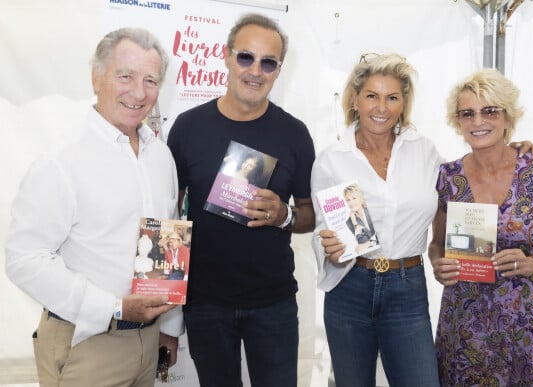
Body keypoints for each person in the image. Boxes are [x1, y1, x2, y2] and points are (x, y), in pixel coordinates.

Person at [311, 53, 533, 387]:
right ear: (355, 100)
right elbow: (322, 229)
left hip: (407, 287)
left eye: (392, 97)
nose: (381, 107)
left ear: (403, 103)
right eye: (372, 96)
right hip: (349, 288)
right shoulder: (331, 160)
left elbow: (466, 179)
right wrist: (328, 245)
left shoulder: (424, 151)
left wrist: (512, 149)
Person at [5, 28, 183, 387]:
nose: (138, 92)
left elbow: (168, 237)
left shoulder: (161, 156)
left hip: (148, 342)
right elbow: (23, 259)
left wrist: (170, 328)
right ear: (96, 77)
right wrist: (113, 307)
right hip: (87, 346)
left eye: (150, 80)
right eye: (125, 76)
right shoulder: (61, 161)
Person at [167, 13, 315, 387]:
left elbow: (310, 216)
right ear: (226, 56)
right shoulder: (187, 127)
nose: (256, 71)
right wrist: (168, 304)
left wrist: (284, 215)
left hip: (274, 302)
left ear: (278, 70)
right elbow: (171, 214)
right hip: (205, 302)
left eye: (269, 62)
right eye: (246, 57)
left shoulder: (295, 134)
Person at [428, 68, 533, 386]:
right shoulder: (448, 179)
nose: (478, 121)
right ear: (459, 122)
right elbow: (436, 243)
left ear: (508, 117)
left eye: (489, 111)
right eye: (468, 114)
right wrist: (438, 264)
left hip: (526, 326)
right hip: (465, 327)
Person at [343, 183, 378, 254]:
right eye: (348, 200)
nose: (351, 203)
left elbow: (384, 235)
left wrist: (369, 244)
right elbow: (362, 242)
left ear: (361, 199)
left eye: (354, 198)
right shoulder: (349, 222)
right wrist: (355, 224)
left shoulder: (372, 210)